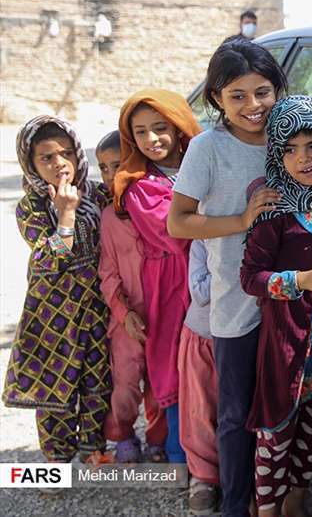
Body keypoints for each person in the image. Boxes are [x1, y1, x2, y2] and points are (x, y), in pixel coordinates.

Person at [168, 38, 287, 517]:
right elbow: (179, 222)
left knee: (284, 410)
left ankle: (277, 500)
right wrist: (241, 220)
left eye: (262, 92)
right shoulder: (208, 148)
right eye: (237, 95)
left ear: (278, 88)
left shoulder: (293, 141)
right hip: (236, 302)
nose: (252, 106)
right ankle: (236, 504)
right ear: (216, 98)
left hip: (293, 296)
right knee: (236, 414)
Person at [240, 96, 312, 517]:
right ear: (276, 154)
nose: (302, 158)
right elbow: (251, 277)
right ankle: (266, 508)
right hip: (286, 346)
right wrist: (299, 280)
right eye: (289, 149)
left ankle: (296, 499)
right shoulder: (274, 211)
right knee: (276, 431)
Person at [4, 116, 111, 465]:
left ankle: (94, 453)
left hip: (96, 306)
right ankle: (57, 461)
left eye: (65, 153)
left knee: (97, 383)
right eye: (46, 158)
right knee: (55, 391)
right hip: (53, 312)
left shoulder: (97, 193)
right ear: (31, 163)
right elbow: (52, 258)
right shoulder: (30, 207)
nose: (59, 163)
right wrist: (65, 214)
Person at [113, 89, 202, 465]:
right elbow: (174, 231)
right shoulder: (136, 184)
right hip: (168, 285)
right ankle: (180, 455)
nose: (152, 140)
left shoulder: (204, 161)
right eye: (141, 132)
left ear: (179, 125)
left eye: (160, 128)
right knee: (174, 367)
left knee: (213, 365)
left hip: (214, 276)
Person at [96, 130, 168, 463]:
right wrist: (123, 313)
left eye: (117, 165)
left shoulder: (153, 208)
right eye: (103, 168)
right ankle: (122, 434)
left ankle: (158, 439)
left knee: (159, 382)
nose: (110, 176)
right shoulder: (108, 217)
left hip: (163, 312)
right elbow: (107, 272)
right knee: (125, 383)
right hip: (125, 318)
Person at [180, 238, 220, 514]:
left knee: (239, 409)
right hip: (203, 335)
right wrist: (234, 267)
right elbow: (200, 291)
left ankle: (240, 472)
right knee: (200, 410)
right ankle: (204, 478)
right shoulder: (202, 241)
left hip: (246, 334)